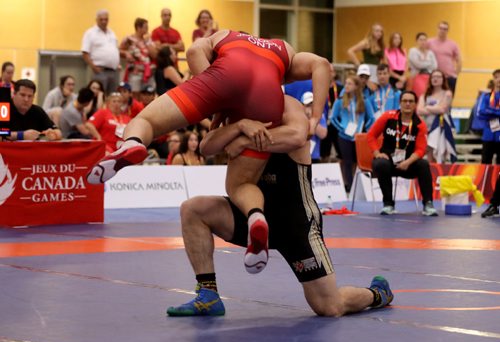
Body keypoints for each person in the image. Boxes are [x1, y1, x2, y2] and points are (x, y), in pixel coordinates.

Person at [87, 30, 330, 275]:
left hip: (222, 75)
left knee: (146, 121)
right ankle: (256, 217)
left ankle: (133, 142)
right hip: (265, 95)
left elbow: (193, 51)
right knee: (240, 185)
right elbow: (321, 64)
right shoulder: (283, 50)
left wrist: (217, 101)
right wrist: (317, 117)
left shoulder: (225, 36)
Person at [166, 107, 394, 316]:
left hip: (295, 222)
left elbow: (298, 136)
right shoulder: (237, 114)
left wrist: (242, 140)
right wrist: (238, 126)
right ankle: (208, 294)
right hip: (253, 215)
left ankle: (377, 293)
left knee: (329, 306)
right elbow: (206, 147)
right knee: (194, 209)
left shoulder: (288, 107)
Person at [367, 91, 438, 216]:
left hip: (407, 164)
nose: (407, 104)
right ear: (400, 103)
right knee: (380, 164)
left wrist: (408, 162)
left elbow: (421, 149)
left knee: (424, 165)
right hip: (388, 162)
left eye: (411, 101)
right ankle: (388, 204)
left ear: (415, 104)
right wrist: (377, 153)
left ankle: (428, 204)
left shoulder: (420, 125)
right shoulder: (388, 117)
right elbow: (371, 136)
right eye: (405, 101)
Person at [330, 75, 375, 192]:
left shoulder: (364, 101)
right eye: (346, 83)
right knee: (347, 161)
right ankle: (349, 186)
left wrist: (365, 129)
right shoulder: (340, 101)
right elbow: (333, 118)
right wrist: (342, 129)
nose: (346, 86)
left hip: (359, 137)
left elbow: (371, 118)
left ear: (356, 86)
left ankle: (359, 186)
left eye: (349, 84)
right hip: (344, 136)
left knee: (358, 162)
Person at [417, 69, 456, 163]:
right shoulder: (425, 95)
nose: (435, 79)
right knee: (429, 152)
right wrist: (435, 108)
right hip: (428, 128)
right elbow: (419, 110)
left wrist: (427, 107)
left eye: (438, 77)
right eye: (433, 77)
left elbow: (442, 109)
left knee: (440, 154)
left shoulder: (447, 93)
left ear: (443, 79)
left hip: (442, 127)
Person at [81, 9, 120, 94]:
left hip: (113, 71)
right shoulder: (90, 33)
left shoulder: (111, 33)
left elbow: (114, 49)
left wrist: (117, 64)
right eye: (101, 19)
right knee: (98, 95)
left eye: (106, 19)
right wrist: (93, 67)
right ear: (96, 20)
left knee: (113, 96)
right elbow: (85, 53)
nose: (104, 21)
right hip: (100, 71)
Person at [120, 18, 157, 96]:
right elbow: (119, 50)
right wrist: (126, 53)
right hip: (134, 73)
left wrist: (147, 41)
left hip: (147, 73)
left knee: (147, 95)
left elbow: (154, 55)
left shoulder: (147, 40)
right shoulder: (129, 39)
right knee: (134, 94)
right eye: (145, 27)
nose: (147, 29)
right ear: (138, 27)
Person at [427, 21, 461, 95]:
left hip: (449, 77)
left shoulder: (453, 44)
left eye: (445, 29)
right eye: (441, 28)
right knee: (432, 99)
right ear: (437, 29)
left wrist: (456, 74)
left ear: (447, 31)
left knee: (448, 100)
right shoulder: (429, 42)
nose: (442, 30)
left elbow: (459, 60)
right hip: (433, 76)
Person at [476, 69, 500, 165]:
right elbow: (480, 113)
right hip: (488, 134)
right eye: (496, 77)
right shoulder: (486, 96)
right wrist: (497, 112)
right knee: (486, 161)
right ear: (493, 80)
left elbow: (485, 112)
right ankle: (486, 180)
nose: (499, 79)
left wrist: (490, 111)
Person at [408, 32, 437, 99]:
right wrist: (429, 63)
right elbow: (418, 65)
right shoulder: (413, 51)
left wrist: (423, 62)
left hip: (429, 78)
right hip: (416, 77)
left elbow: (435, 66)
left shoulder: (430, 52)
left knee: (429, 97)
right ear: (417, 41)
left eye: (424, 40)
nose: (423, 42)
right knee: (419, 97)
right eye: (421, 40)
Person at [300, 91, 327, 163]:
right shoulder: (298, 117)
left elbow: (323, 135)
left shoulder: (320, 116)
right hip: (300, 155)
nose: (311, 107)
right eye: (308, 105)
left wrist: (312, 119)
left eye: (312, 104)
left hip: (314, 156)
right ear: (302, 105)